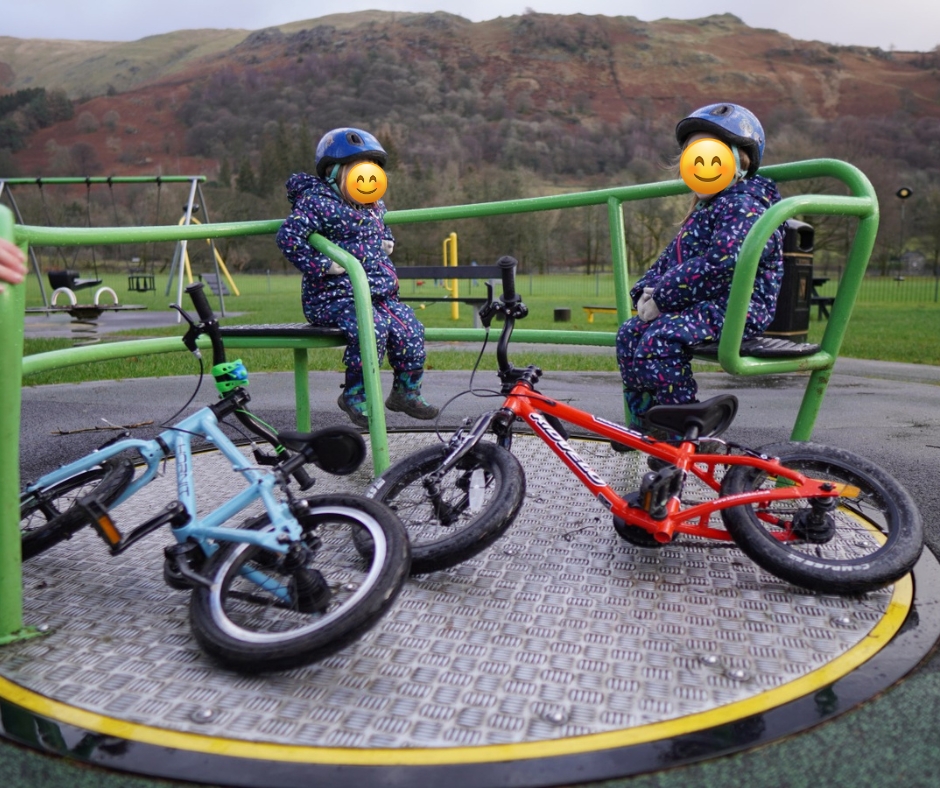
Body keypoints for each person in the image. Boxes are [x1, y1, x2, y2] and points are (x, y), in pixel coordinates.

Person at [617, 103, 784, 436]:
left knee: (661, 339)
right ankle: (647, 422)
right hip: (703, 304)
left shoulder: (745, 205)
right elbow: (667, 261)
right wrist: (644, 291)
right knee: (630, 334)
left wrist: (663, 297)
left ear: (740, 162)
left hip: (738, 307)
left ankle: (684, 431)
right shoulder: (704, 212)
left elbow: (723, 262)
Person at [275, 127, 438, 428]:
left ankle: (406, 391)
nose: (368, 178)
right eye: (359, 170)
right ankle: (355, 394)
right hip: (333, 297)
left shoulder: (374, 205)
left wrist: (387, 239)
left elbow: (380, 226)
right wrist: (323, 264)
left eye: (373, 170)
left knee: (410, 327)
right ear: (334, 173)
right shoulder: (317, 203)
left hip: (378, 294)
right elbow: (288, 238)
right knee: (371, 327)